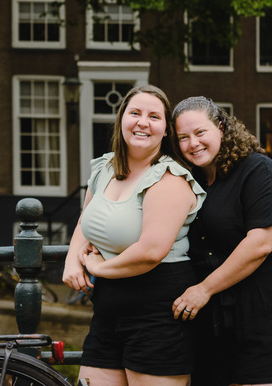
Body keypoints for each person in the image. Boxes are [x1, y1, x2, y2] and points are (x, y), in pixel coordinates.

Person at [63, 85, 207, 386]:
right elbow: (85, 220)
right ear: (122, 120)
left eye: (154, 116)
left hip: (158, 310)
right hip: (107, 309)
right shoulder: (104, 168)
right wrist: (71, 261)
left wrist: (97, 268)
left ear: (165, 130)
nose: (143, 122)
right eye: (136, 113)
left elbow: (151, 251)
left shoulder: (169, 179)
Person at [169, 97, 272, 386]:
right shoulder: (191, 179)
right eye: (183, 137)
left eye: (200, 132)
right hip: (218, 314)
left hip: (268, 307)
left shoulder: (259, 171)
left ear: (220, 128)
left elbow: (260, 243)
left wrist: (204, 289)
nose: (192, 143)